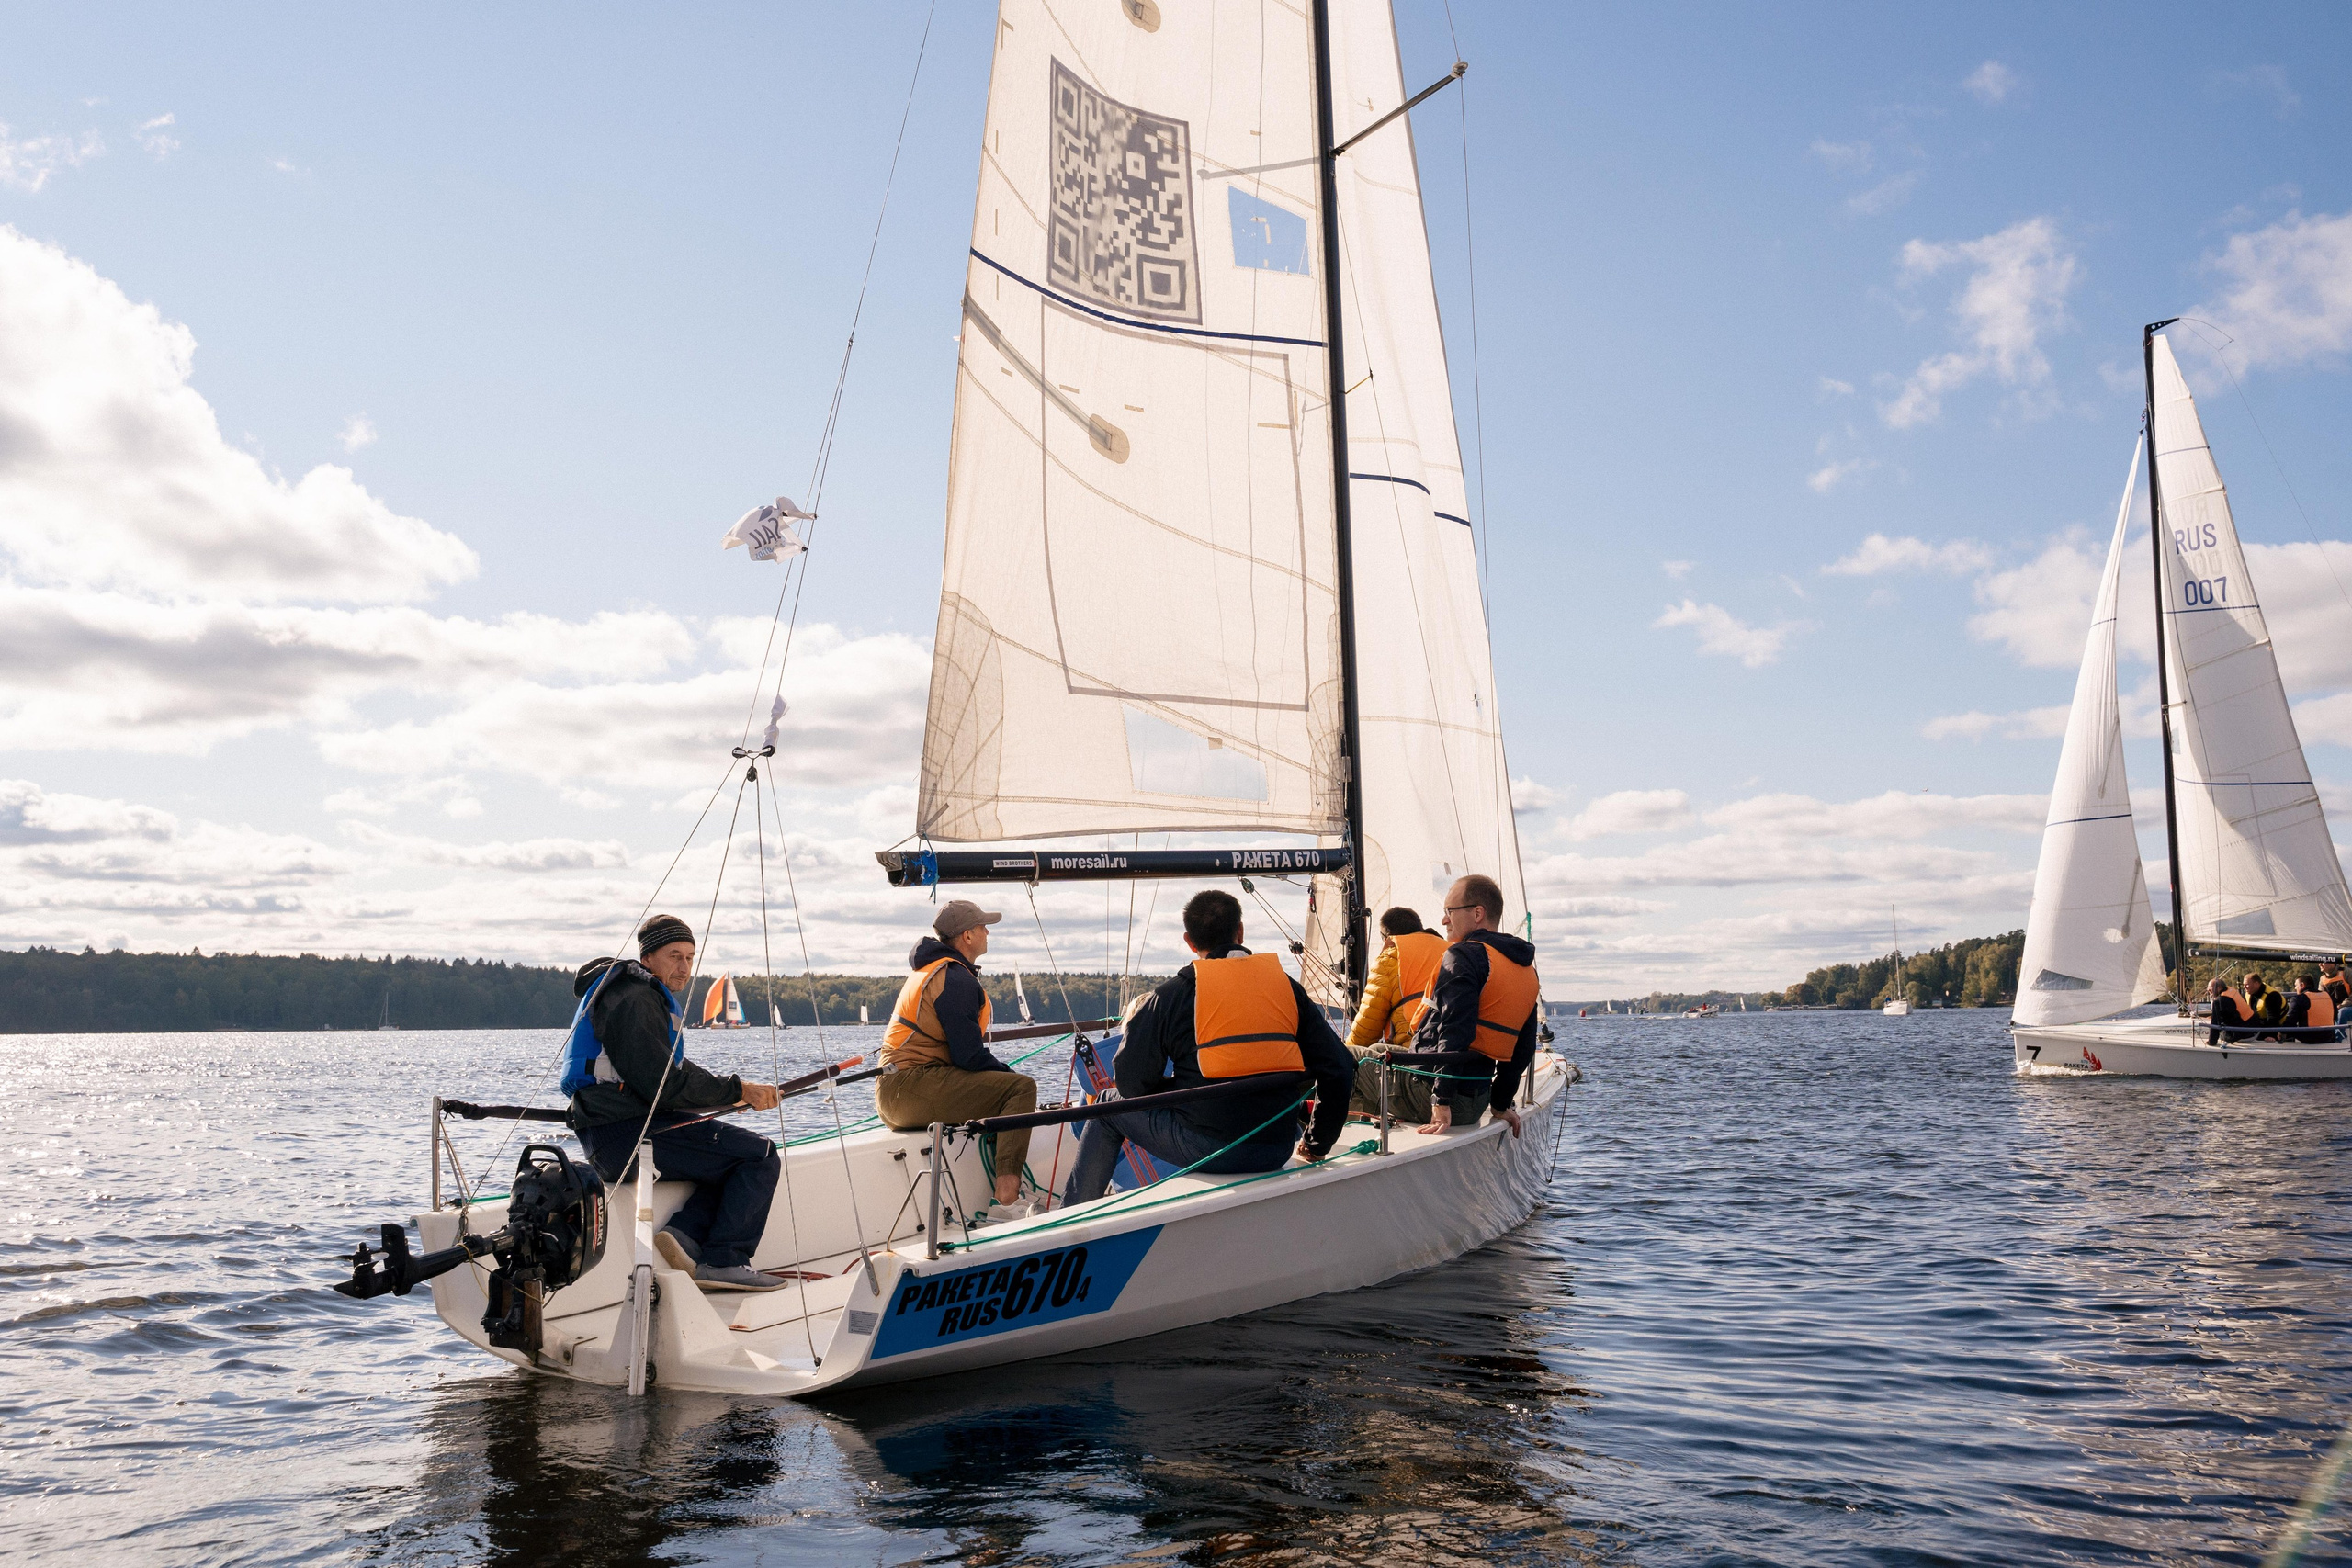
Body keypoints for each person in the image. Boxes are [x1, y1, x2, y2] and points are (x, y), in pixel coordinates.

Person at [1059, 890, 1355, 1208]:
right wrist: (1316, 1143)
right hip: (1277, 1147)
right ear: (1240, 931)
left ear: (1189, 942)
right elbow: (1340, 1067)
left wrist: (1175, 1091)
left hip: (1208, 1149)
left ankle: (1070, 1217)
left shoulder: (1171, 995)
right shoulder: (1287, 989)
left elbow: (1131, 1084)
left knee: (1107, 1105)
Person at [566, 914, 786, 1292]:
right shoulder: (634, 999)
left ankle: (685, 1235)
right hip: (625, 1135)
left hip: (615, 1132)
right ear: (647, 958)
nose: (684, 967)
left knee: (734, 1155)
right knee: (759, 1155)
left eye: (689, 957)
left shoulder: (634, 993)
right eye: (674, 956)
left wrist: (737, 1089)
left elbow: (672, 1069)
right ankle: (724, 1260)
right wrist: (737, 1091)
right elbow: (662, 1084)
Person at [876, 900, 1040, 1224]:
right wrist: (1007, 1075)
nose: (987, 932)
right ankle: (1007, 1201)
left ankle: (1008, 1194)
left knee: (1006, 1088)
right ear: (967, 936)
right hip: (910, 1088)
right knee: (1020, 1089)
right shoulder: (955, 979)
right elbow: (969, 1057)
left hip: (896, 1091)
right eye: (982, 927)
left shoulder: (935, 970)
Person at [1357, 873, 1540, 1139]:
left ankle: (1323, 1143)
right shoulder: (1525, 969)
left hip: (1440, 1096)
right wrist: (1500, 1104)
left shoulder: (1463, 956)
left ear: (1477, 913)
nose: (1444, 920)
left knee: (1347, 1060)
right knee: (1376, 1050)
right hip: (1476, 1097)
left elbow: (1455, 1032)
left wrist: (1440, 1101)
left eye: (1449, 911)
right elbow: (1524, 1047)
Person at [1344, 907, 1445, 1055]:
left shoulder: (1389, 959)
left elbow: (1367, 1029)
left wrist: (1345, 1051)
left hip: (1415, 1054)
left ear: (1386, 938)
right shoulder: (1451, 950)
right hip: (1455, 1053)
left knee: (1350, 1054)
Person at [2285, 975, 2339, 1043]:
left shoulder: (2299, 998)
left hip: (2310, 1037)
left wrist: (2281, 1031)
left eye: (2296, 985)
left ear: (2302, 985)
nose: (2295, 988)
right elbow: (2335, 1016)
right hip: (2329, 1036)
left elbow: (2291, 1019)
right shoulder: (2329, 996)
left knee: (2287, 1027)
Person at [2204, 976, 2248, 1045]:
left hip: (2242, 1036)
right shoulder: (2230, 994)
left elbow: (2215, 1023)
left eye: (2210, 987)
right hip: (2251, 1032)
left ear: (2219, 988)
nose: (2208, 989)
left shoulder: (2219, 1001)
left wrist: (2211, 1042)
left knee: (2223, 1034)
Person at [2245, 972, 2287, 1039]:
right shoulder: (2249, 992)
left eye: (2247, 984)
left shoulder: (2272, 996)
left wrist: (2271, 1036)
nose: (2244, 987)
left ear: (2256, 984)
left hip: (2277, 1029)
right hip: (2259, 1026)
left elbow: (2273, 1019)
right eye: (2243, 984)